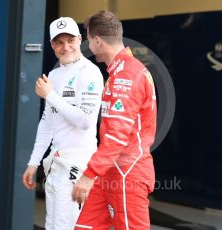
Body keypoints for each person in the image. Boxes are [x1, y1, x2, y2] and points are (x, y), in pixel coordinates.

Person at [72, 10, 157, 230]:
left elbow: (117, 136)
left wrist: (89, 175)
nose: (89, 46)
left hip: (128, 173)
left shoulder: (126, 75)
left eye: (89, 40)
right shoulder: (119, 71)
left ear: (98, 41)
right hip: (109, 171)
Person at [22, 16, 104, 230]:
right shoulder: (54, 74)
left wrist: (50, 96)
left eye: (70, 40)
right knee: (53, 226)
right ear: (52, 45)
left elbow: (85, 121)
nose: (65, 47)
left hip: (77, 166)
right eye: (59, 42)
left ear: (79, 39)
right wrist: (34, 162)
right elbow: (48, 122)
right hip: (55, 165)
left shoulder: (90, 73)